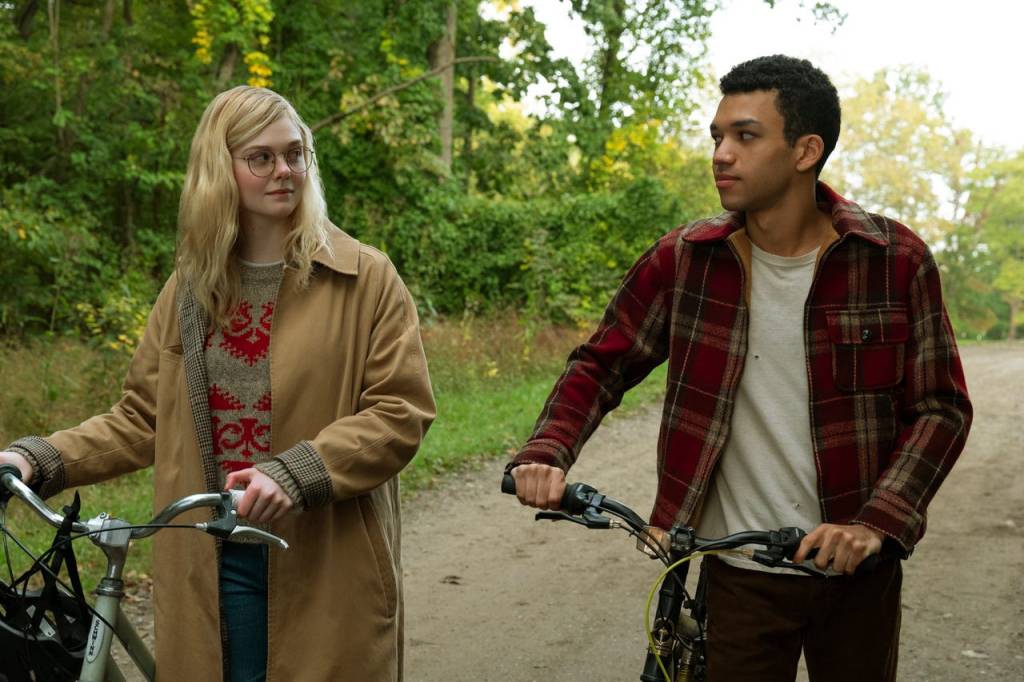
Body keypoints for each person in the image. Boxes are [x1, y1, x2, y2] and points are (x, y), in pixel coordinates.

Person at [506, 55, 971, 681]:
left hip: (857, 572)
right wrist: (548, 451)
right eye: (717, 137)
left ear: (806, 151)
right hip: (739, 575)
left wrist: (875, 523)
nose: (721, 154)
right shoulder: (685, 258)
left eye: (745, 136)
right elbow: (601, 365)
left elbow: (941, 409)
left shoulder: (894, 260)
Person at [0, 86, 435, 682]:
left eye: (295, 153)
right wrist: (36, 458)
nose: (284, 170)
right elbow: (143, 418)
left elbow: (400, 411)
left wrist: (295, 473)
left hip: (324, 562)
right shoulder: (191, 287)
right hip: (208, 562)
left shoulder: (364, 277)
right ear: (218, 169)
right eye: (261, 157)